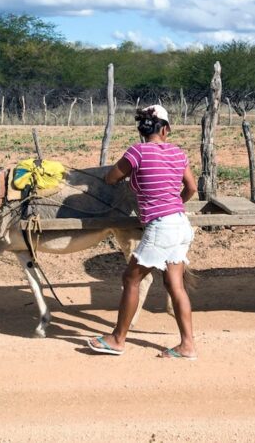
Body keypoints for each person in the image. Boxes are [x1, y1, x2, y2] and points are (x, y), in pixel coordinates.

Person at [87, 105, 198, 359]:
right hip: (181, 223)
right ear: (166, 129)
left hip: (162, 227)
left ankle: (117, 339)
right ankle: (188, 345)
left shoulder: (137, 152)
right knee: (174, 284)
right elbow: (191, 188)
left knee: (131, 279)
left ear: (142, 129)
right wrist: (174, 203)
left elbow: (111, 178)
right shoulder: (178, 153)